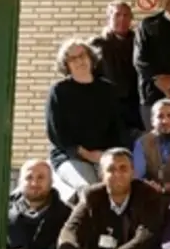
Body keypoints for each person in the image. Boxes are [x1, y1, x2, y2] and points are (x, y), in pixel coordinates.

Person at [46, 37, 129, 191]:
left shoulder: (107, 90)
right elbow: (57, 134)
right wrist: (87, 154)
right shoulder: (59, 91)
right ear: (66, 65)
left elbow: (117, 128)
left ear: (91, 57)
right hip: (70, 156)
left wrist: (108, 155)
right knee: (91, 189)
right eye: (72, 58)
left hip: (104, 156)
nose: (79, 61)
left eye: (82, 55)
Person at [91, 0, 142, 132]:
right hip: (108, 105)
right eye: (117, 15)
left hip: (135, 106)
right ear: (109, 18)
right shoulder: (97, 45)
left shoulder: (139, 42)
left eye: (126, 15)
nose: (122, 19)